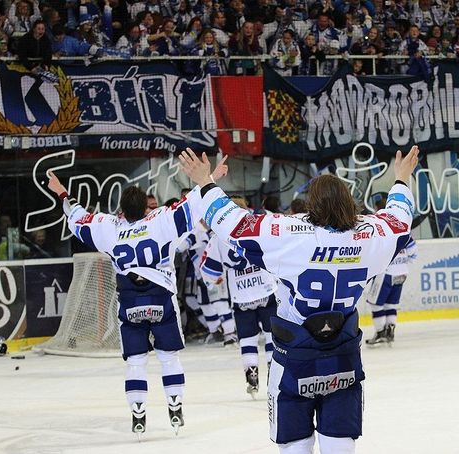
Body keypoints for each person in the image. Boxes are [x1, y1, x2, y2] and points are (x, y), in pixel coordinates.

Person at [177, 144, 419, 454]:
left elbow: (232, 222)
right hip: (343, 358)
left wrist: (205, 182)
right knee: (341, 445)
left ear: (311, 206)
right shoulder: (372, 235)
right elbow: (399, 220)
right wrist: (401, 180)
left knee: (293, 445)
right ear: (349, 202)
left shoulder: (287, 234)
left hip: (294, 359)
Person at [45, 156, 229, 436]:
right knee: (169, 358)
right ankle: (175, 405)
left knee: (136, 361)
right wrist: (211, 176)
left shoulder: (109, 228)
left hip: (129, 303)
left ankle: (138, 411)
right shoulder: (161, 222)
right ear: (146, 207)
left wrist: (61, 190)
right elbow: (195, 202)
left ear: (121, 210)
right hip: (161, 300)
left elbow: (77, 215)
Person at [200, 197, 278, 398]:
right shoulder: (260, 225)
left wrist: (214, 280)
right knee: (271, 335)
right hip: (266, 290)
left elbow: (208, 269)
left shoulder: (219, 237)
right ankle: (273, 371)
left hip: (241, 296)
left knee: (247, 339)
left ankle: (251, 373)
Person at [364, 198, 417, 345]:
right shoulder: (402, 227)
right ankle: (390, 331)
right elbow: (413, 251)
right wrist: (404, 263)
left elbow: (375, 252)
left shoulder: (380, 227)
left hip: (386, 273)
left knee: (376, 304)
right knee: (391, 303)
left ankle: (381, 332)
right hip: (401, 272)